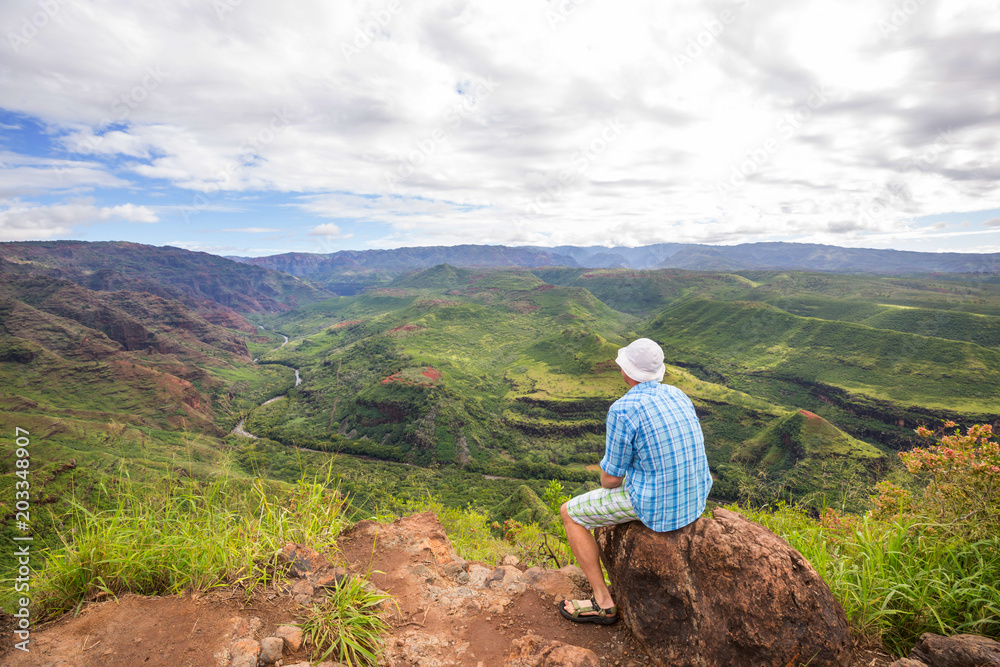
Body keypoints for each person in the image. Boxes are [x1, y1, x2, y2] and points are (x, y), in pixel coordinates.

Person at [558, 337, 712, 625]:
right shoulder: (679, 394)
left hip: (658, 508)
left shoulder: (623, 409)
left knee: (570, 513)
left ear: (626, 372)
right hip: (695, 500)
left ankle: (602, 602)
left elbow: (610, 480)